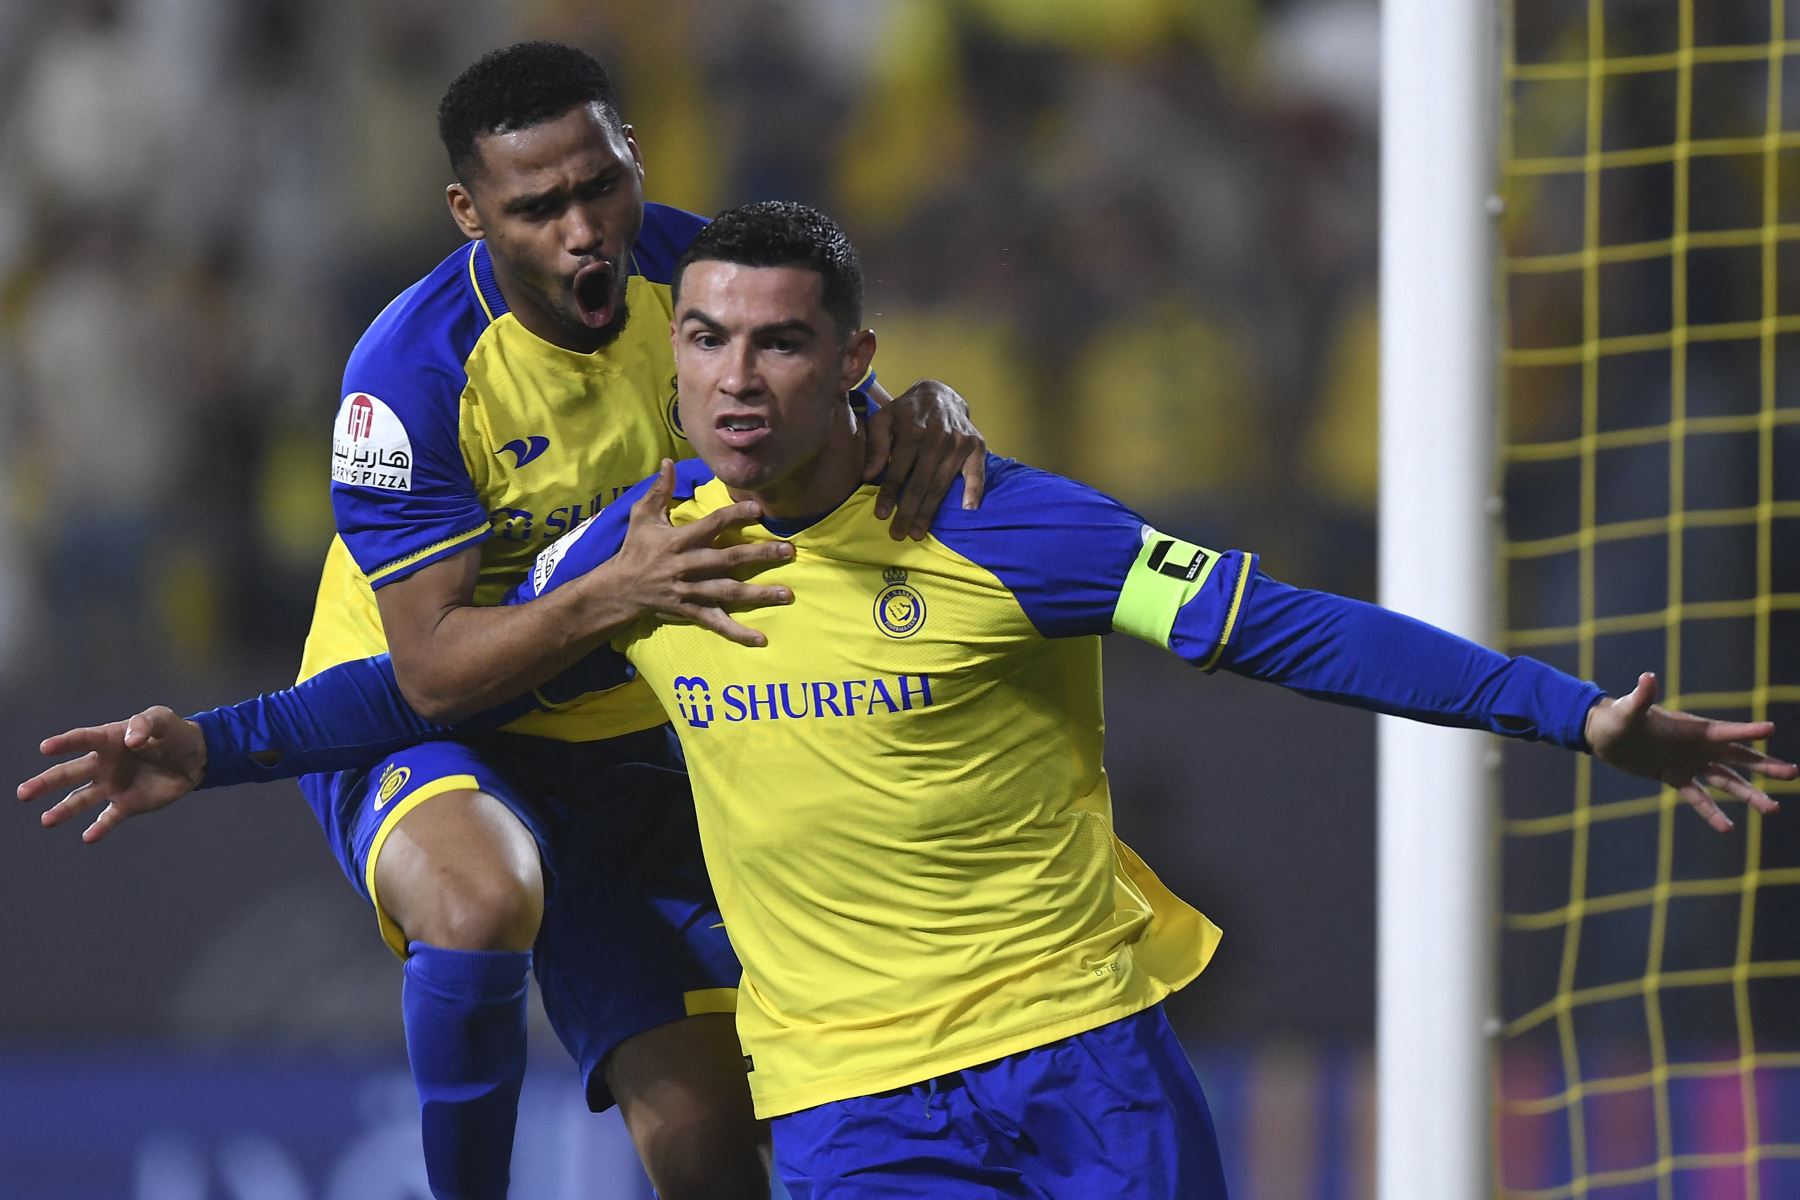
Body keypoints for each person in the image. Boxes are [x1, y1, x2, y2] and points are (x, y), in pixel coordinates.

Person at [23, 202, 1793, 1197]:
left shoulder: (1004, 525)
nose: (730, 378)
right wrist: (211, 741)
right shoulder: (656, 556)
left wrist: (1575, 718)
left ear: (856, 361)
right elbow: (419, 693)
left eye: (778, 343)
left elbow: (1301, 632)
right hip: (856, 1109)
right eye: (703, 340)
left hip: (1084, 1059)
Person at [32, 42, 987, 1200]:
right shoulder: (409, 376)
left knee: (709, 1160)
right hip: (404, 710)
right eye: (537, 207)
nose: (583, 230)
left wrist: (928, 410)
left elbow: (850, 445)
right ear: (468, 213)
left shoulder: (709, 280)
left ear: (635, 153)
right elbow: (432, 675)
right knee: (484, 899)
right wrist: (613, 595)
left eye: (599, 185)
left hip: (633, 743)